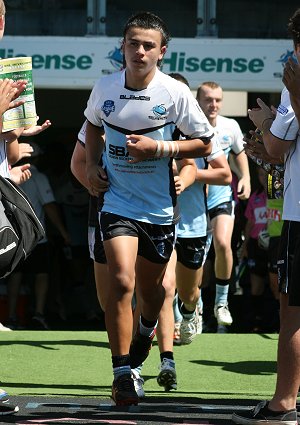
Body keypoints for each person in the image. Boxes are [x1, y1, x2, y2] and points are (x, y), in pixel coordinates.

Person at [84, 11, 214, 406]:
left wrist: (159, 148)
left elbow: (204, 143)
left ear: (162, 52)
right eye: (132, 44)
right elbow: (92, 126)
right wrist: (91, 165)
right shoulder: (104, 87)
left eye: (147, 46)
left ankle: (145, 330)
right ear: (121, 47)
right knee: (121, 282)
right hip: (117, 203)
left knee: (153, 294)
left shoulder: (174, 94)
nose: (139, 51)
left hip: (158, 210)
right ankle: (123, 372)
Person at [232, 8, 300, 424]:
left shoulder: (297, 78)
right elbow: (280, 151)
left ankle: (283, 403)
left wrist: (264, 123)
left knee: (292, 308)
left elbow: (276, 147)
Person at [196, 81, 251, 331]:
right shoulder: (187, 124)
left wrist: (246, 178)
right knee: (197, 260)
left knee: (222, 243)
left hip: (221, 198)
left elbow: (239, 152)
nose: (214, 104)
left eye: (217, 99)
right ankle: (192, 308)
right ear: (198, 101)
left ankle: (222, 303)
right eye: (208, 99)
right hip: (193, 201)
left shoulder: (231, 126)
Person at [6, 143, 71, 330]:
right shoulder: (38, 176)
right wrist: (64, 232)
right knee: (41, 274)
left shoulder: (6, 176)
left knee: (15, 275)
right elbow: (49, 206)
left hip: (12, 236)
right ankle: (39, 314)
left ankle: (11, 316)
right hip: (35, 238)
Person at [240, 166, 268, 332]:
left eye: (266, 174)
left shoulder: (280, 196)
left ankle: (276, 321)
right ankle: (256, 322)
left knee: (274, 287)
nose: (263, 177)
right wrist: (244, 246)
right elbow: (249, 223)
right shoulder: (255, 198)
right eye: (261, 174)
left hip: (273, 246)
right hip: (256, 245)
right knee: (256, 286)